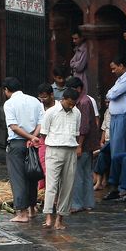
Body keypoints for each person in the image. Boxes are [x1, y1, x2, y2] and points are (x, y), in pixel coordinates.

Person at [2, 76, 43, 223]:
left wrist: (29, 137)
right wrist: (33, 137)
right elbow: (41, 123)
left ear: (7, 90)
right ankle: (32, 209)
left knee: (18, 178)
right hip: (32, 143)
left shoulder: (9, 103)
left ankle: (22, 213)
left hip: (17, 143)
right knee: (32, 175)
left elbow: (13, 126)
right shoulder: (35, 101)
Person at [40, 88, 82, 231]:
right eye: (69, 103)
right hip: (54, 149)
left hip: (70, 150)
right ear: (63, 99)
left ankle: (60, 218)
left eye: (73, 104)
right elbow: (44, 134)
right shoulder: (50, 112)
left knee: (67, 186)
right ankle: (48, 216)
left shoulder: (77, 113)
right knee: (51, 185)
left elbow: (76, 134)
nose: (71, 106)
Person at [67, 76, 100, 213]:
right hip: (87, 144)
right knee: (86, 173)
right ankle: (88, 202)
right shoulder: (84, 101)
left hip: (83, 144)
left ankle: (77, 203)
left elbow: (84, 127)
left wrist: (79, 145)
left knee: (78, 174)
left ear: (79, 89)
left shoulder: (84, 103)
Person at [106, 57, 126, 155]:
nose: (112, 71)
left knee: (120, 149)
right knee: (114, 148)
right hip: (116, 117)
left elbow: (111, 94)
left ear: (121, 66)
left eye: (114, 68)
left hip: (123, 117)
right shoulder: (120, 79)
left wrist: (110, 95)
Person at [35, 84, 56, 195]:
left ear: (52, 95)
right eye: (40, 98)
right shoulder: (38, 107)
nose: (42, 100)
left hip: (56, 140)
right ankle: (44, 192)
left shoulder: (58, 107)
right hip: (42, 140)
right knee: (44, 166)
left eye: (45, 97)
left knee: (53, 169)